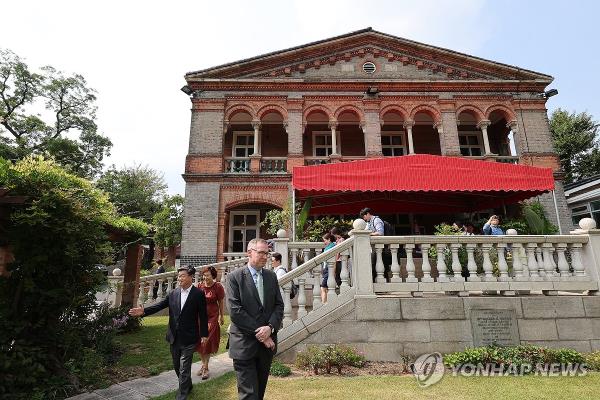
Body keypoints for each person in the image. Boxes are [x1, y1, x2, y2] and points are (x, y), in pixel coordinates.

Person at [129, 266, 208, 400]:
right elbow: (160, 305)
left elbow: (203, 315)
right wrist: (144, 311)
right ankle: (187, 386)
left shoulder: (198, 294)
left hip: (189, 337)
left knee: (184, 368)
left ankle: (181, 395)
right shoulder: (173, 293)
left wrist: (204, 334)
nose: (179, 278)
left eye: (182, 275)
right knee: (177, 366)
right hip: (174, 337)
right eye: (178, 276)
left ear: (190, 277)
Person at [226, 238, 284, 400]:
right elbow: (236, 312)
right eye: (261, 253)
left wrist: (270, 328)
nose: (265, 257)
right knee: (248, 395)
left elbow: (279, 306)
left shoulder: (271, 277)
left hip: (265, 349)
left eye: (267, 253)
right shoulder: (234, 278)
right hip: (244, 345)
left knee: (259, 393)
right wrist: (263, 334)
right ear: (249, 253)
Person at [196, 266, 225, 380]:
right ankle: (203, 365)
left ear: (212, 275)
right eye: (204, 275)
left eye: (207, 275)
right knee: (200, 342)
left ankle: (206, 368)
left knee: (207, 341)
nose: (205, 277)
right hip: (200, 317)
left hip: (213, 316)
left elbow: (221, 302)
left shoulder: (218, 286)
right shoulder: (199, 286)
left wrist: (222, 316)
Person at [359, 207, 391, 281]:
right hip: (373, 247)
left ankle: (376, 283)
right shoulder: (369, 222)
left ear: (368, 214)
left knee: (376, 265)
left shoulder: (376, 220)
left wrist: (370, 234)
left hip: (379, 247)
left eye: (364, 216)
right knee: (378, 265)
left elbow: (380, 233)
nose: (364, 219)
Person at [320, 233, 336, 303]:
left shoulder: (332, 247)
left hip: (329, 268)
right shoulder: (328, 247)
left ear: (329, 239)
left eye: (325, 240)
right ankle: (326, 303)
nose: (324, 242)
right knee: (325, 288)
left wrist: (333, 271)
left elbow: (334, 260)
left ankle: (323, 304)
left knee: (323, 287)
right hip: (325, 268)